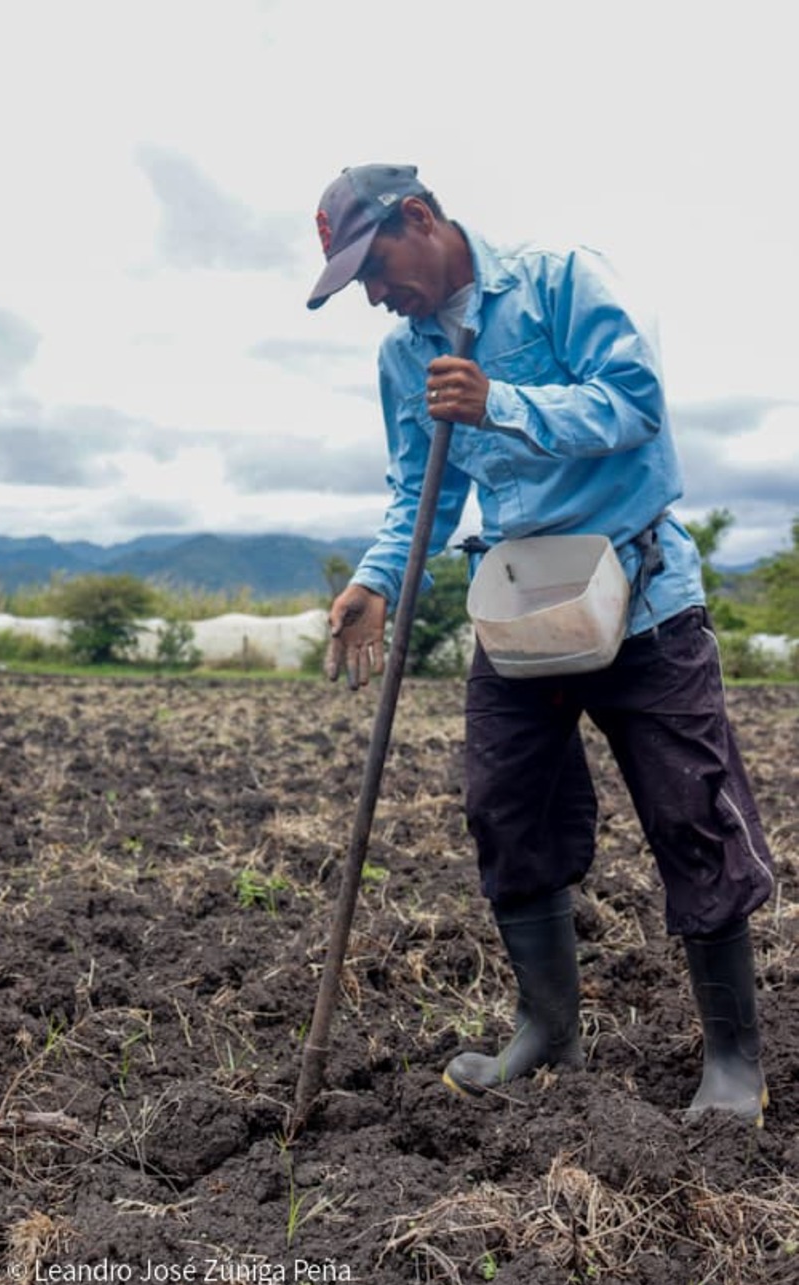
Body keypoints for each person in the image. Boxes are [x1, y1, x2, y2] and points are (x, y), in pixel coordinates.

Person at [306, 162, 774, 1123]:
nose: (376, 294)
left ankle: (732, 1056)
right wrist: (378, 579)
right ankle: (547, 1029)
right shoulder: (403, 357)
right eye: (357, 283)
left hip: (636, 595)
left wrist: (500, 403)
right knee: (504, 804)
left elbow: (635, 402)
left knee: (691, 811)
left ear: (422, 219)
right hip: (521, 605)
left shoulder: (559, 281)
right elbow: (419, 492)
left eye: (376, 266)